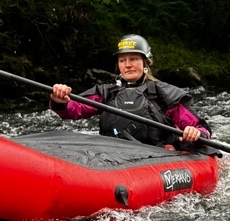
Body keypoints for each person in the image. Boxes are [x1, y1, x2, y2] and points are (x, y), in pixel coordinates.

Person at [49, 34, 212, 151]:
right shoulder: (107, 92)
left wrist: (196, 132)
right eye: (122, 60)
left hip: (157, 156)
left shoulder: (166, 94)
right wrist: (60, 100)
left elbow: (200, 128)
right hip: (113, 155)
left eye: (133, 59)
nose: (127, 65)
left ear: (145, 63)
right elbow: (74, 108)